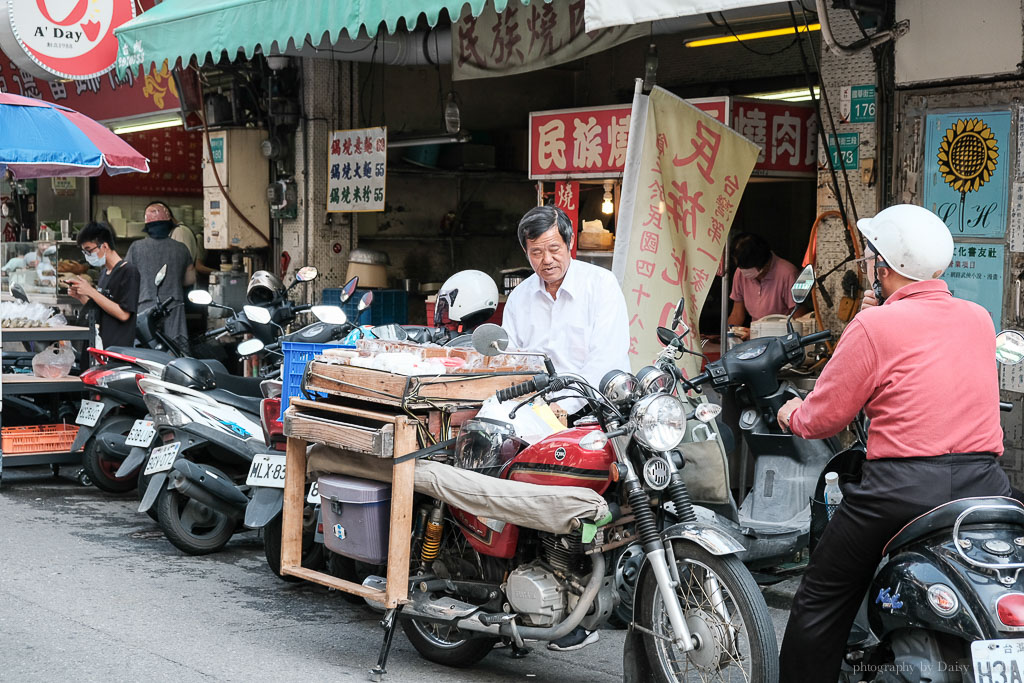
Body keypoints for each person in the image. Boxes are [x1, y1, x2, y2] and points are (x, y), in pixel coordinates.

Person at [774, 204, 1011, 682]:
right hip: (986, 484)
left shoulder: (872, 326)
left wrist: (791, 414)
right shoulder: (979, 318)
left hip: (899, 492)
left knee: (821, 597)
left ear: (882, 267)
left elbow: (825, 416)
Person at [502, 205, 630, 652]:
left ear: (569, 244)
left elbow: (606, 359)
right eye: (536, 252)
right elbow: (511, 365)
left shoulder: (600, 285)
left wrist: (570, 411)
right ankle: (538, 587)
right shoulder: (519, 300)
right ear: (527, 253)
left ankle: (588, 587)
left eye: (553, 248)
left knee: (595, 508)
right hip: (537, 418)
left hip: (595, 413)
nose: (546, 260)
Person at [126, 201, 195, 351]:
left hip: (145, 305)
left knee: (146, 350)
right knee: (176, 350)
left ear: (147, 227)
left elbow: (127, 279)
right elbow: (190, 279)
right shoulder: (181, 249)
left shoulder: (136, 248)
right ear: (169, 224)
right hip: (174, 306)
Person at [68, 222, 140, 350]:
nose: (87, 256)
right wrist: (80, 296)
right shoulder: (104, 273)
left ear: (104, 246)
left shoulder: (129, 271)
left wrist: (91, 292)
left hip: (117, 348)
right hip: (100, 344)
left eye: (89, 250)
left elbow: (124, 314)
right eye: (84, 252)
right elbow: (101, 309)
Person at [727, 233, 799, 340]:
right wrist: (730, 334)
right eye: (741, 267)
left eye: (747, 268)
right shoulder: (740, 273)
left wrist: (760, 333)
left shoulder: (788, 274)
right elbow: (737, 314)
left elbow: (799, 320)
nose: (743, 272)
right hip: (753, 338)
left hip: (782, 340)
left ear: (765, 264)